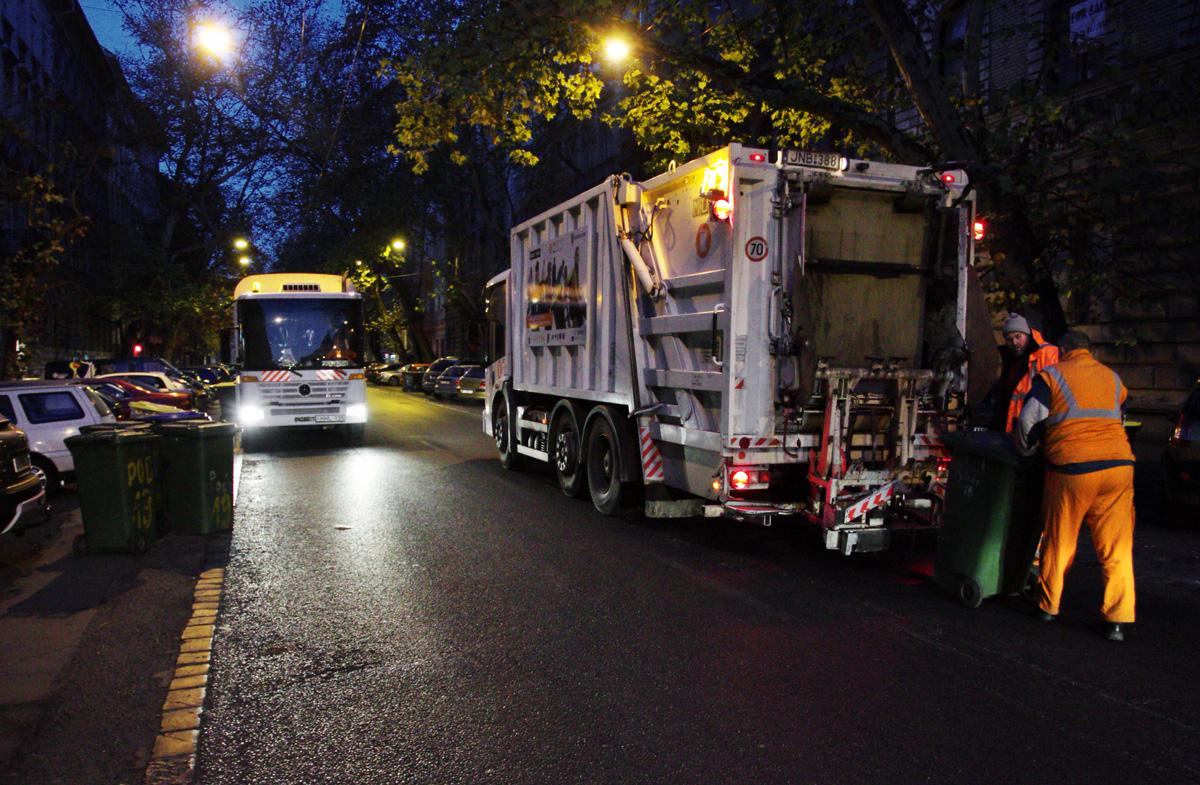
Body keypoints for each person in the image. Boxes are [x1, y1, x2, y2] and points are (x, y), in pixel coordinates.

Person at [1015, 331, 1136, 641]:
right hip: (1119, 468)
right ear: (1089, 350)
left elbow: (1029, 419)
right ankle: (1117, 622)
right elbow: (1118, 415)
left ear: (1063, 350)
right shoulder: (1112, 378)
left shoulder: (1053, 374)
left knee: (1060, 540)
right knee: (1117, 547)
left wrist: (1027, 452)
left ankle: (1047, 607)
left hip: (1073, 468)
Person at [990, 313, 1059, 432]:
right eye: (1009, 339)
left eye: (1018, 336)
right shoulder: (1011, 360)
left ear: (1027, 336)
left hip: (1037, 428)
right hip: (1017, 428)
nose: (1015, 342)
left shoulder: (1049, 354)